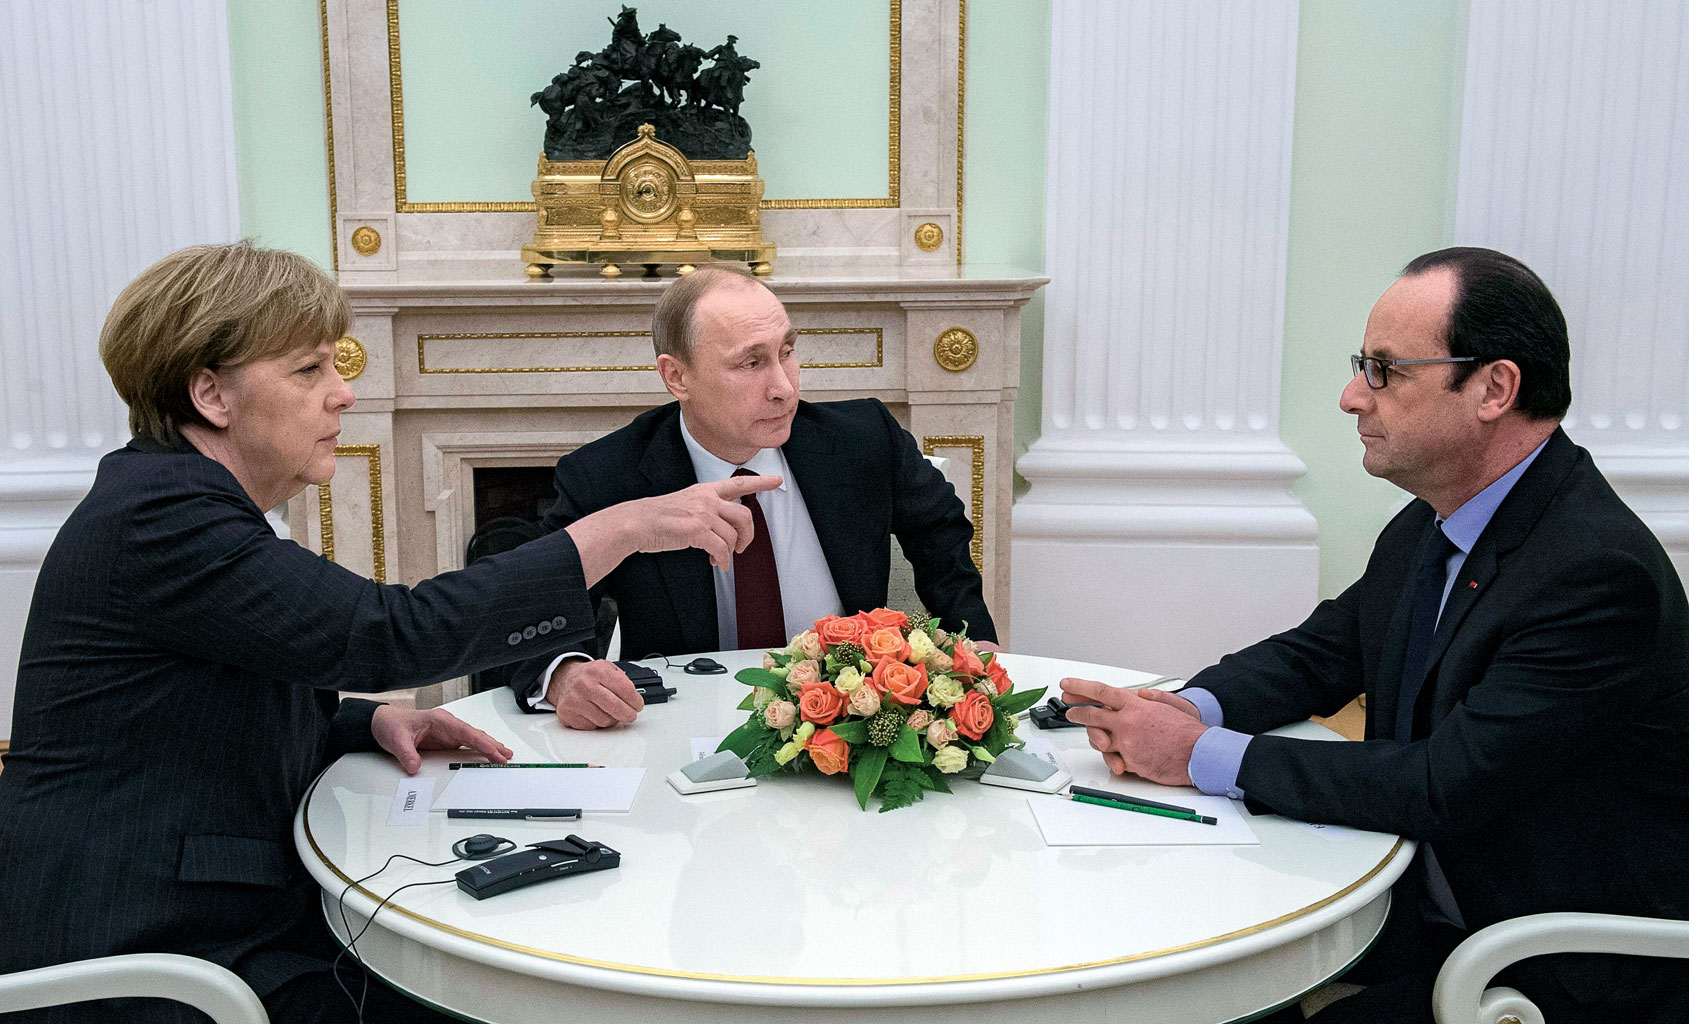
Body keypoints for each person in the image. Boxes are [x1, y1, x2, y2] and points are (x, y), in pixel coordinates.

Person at [0, 242, 777, 1024]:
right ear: (211, 394)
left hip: (223, 920)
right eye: (309, 370)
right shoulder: (164, 518)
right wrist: (620, 529)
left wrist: (365, 722)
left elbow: (201, 702)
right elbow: (387, 634)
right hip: (153, 958)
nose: (343, 393)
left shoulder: (177, 500)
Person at [1061, 248, 1689, 1024]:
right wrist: (1187, 710)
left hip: (1549, 966)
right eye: (1362, 366)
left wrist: (1193, 755)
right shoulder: (1435, 519)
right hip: (1430, 904)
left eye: (1385, 371)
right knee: (1179, 939)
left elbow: (1441, 784)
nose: (1351, 396)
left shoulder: (1594, 573)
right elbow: (1322, 653)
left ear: (1493, 389)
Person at [514, 266, 995, 731]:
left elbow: (939, 531)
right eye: (751, 363)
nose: (784, 388)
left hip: (848, 723)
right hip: (679, 727)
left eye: (787, 352)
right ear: (677, 376)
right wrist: (563, 674)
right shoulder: (605, 476)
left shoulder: (865, 439)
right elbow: (538, 600)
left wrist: (973, 640)